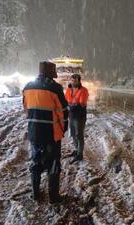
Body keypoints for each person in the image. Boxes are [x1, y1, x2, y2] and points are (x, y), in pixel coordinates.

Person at [23, 61, 68, 204]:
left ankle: (35, 194)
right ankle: (54, 197)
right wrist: (63, 128)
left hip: (34, 133)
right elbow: (63, 112)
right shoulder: (55, 88)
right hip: (52, 135)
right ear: (52, 73)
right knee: (53, 163)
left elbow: (25, 109)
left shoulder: (28, 87)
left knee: (36, 162)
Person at [65, 74, 89, 164]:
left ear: (79, 81)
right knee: (73, 134)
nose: (73, 82)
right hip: (71, 115)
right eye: (72, 80)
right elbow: (66, 100)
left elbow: (82, 104)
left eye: (75, 80)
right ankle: (76, 150)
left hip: (80, 116)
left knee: (79, 135)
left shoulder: (84, 90)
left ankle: (79, 155)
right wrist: (69, 106)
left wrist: (70, 105)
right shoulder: (68, 89)